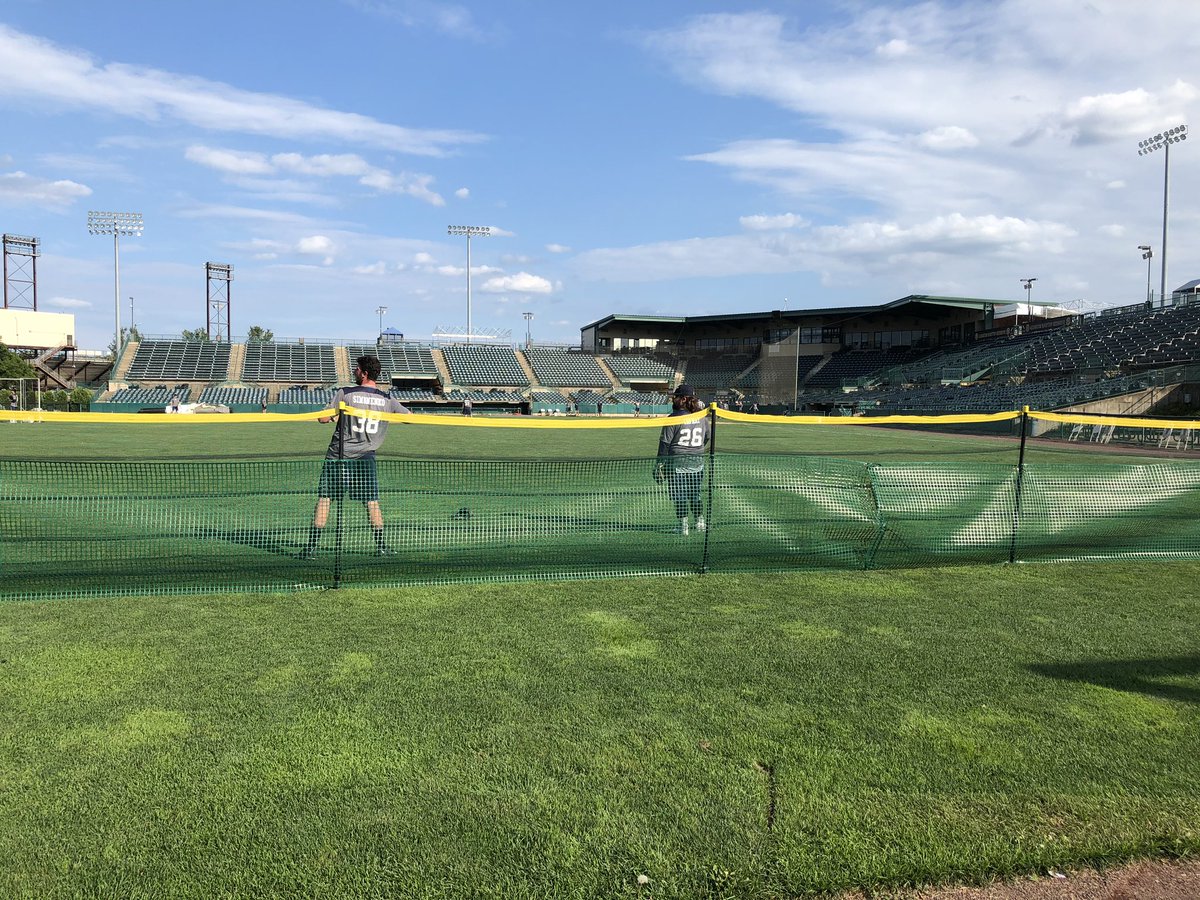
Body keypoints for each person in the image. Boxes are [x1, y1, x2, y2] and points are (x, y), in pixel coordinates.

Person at [300, 355, 410, 559]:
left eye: (357, 369)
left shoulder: (346, 393)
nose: (354, 372)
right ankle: (381, 547)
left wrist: (337, 415)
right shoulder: (386, 399)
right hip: (366, 457)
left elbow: (322, 418)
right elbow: (410, 419)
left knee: (325, 499)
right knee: (372, 502)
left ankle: (311, 549)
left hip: (338, 456)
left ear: (365, 373)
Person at [653, 383, 712, 536]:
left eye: (676, 397)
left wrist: (659, 464)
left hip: (677, 463)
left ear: (684, 399)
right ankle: (700, 522)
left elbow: (665, 444)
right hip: (697, 462)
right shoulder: (701, 417)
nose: (674, 399)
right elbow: (707, 438)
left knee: (679, 495)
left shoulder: (672, 418)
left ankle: (683, 526)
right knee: (695, 494)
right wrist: (696, 450)